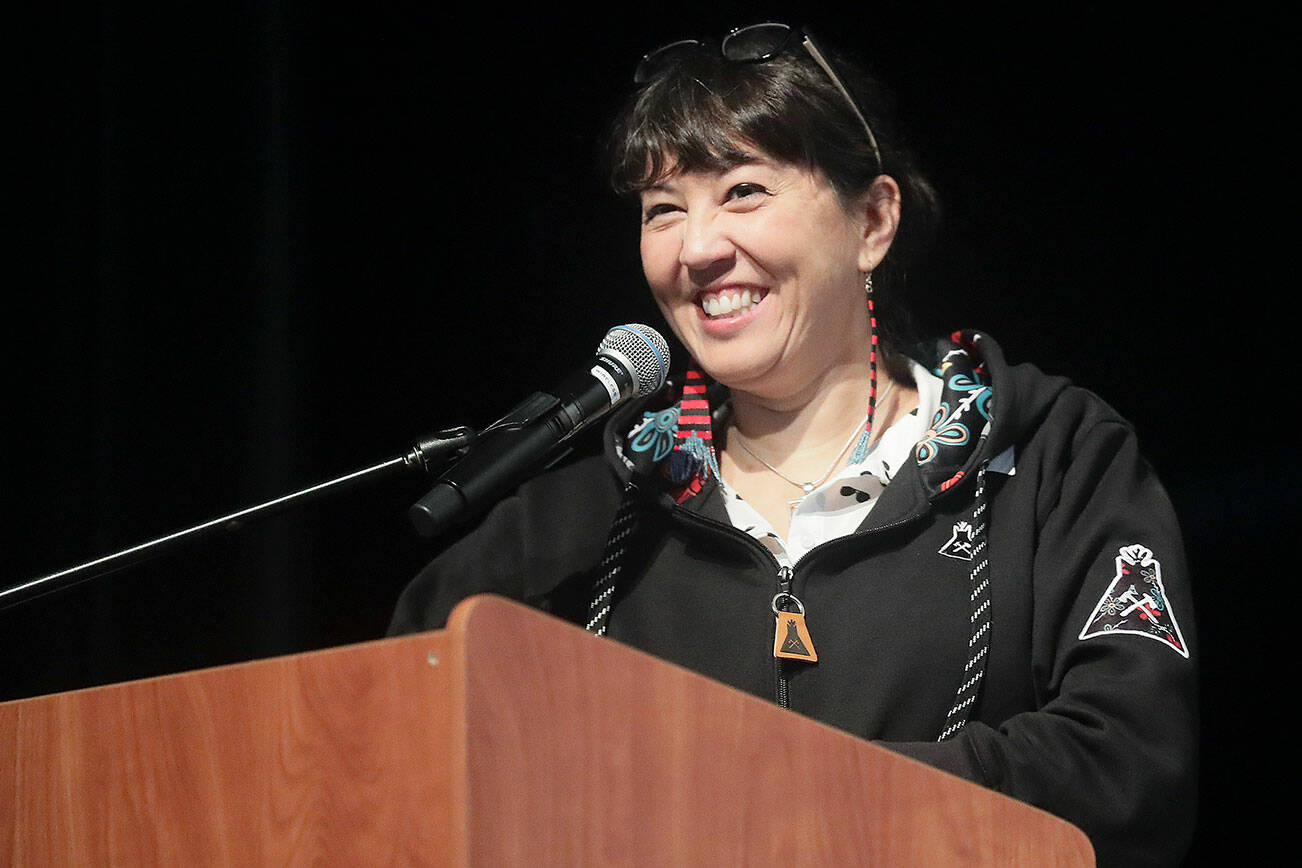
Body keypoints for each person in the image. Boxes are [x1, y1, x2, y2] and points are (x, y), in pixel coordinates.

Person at [389, 23, 1197, 866]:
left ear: (873, 222)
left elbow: (1127, 771)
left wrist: (796, 799)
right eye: (663, 210)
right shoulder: (578, 521)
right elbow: (389, 737)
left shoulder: (1049, 456)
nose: (696, 249)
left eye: (743, 192)